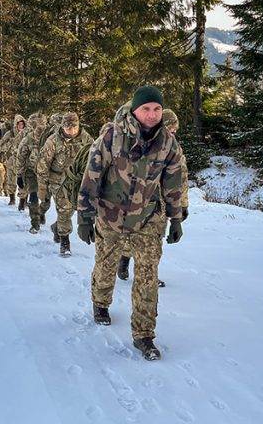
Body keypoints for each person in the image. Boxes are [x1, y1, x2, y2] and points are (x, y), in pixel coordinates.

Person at [77, 86, 185, 361]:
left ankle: (144, 335)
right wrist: (85, 216)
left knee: (147, 276)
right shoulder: (112, 137)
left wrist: (176, 218)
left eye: (157, 109)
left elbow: (173, 183)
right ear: (135, 110)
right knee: (106, 265)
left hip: (148, 219)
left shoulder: (168, 143)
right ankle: (100, 303)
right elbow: (91, 177)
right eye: (146, 109)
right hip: (110, 216)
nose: (152, 114)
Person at [117, 108, 190, 287]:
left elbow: (182, 178)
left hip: (164, 204)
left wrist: (182, 205)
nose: (172, 133)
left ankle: (149, 275)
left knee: (155, 241)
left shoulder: (175, 148)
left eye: (175, 130)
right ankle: (124, 258)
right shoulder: (146, 146)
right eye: (169, 129)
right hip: (143, 200)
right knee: (132, 236)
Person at [37, 112, 93, 255]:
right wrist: (43, 187)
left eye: (74, 128)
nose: (71, 131)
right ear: (62, 127)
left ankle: (57, 228)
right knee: (64, 209)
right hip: (58, 180)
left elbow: (94, 159)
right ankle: (65, 242)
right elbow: (43, 164)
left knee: (72, 209)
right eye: (68, 128)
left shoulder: (87, 139)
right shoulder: (53, 140)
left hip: (77, 180)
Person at [17, 113, 48, 233]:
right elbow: (21, 157)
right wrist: (19, 175)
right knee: (33, 195)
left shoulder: (51, 138)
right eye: (35, 125)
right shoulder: (28, 139)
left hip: (47, 173)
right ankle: (35, 223)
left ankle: (41, 212)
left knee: (46, 199)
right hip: (31, 172)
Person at [0, 115, 26, 205]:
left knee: (23, 182)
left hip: (23, 162)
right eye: (19, 124)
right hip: (12, 161)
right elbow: (1, 147)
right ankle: (12, 198)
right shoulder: (10, 134)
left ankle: (22, 202)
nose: (21, 126)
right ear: (15, 125)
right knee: (11, 181)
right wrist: (11, 142)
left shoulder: (27, 134)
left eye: (22, 124)